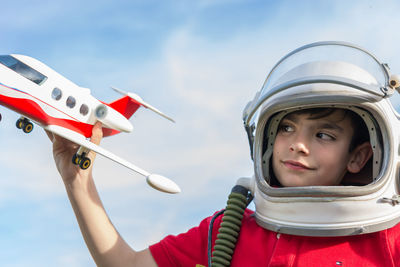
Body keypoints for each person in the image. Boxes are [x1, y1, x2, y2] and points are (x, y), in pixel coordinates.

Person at [47, 41, 400, 266]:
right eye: (286, 128)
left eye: (323, 134)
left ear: (358, 157)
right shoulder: (226, 232)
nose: (297, 144)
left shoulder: (389, 240)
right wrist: (78, 180)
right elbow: (126, 265)